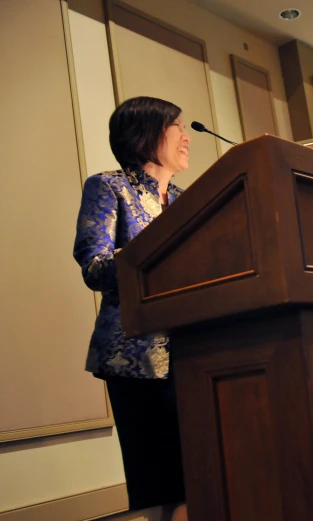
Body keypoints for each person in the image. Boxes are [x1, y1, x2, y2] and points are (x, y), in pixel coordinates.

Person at [73, 96, 191, 521]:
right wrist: (157, 253)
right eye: (176, 126)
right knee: (157, 475)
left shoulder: (187, 199)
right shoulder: (109, 187)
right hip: (135, 356)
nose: (186, 137)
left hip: (196, 350)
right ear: (147, 134)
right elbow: (95, 266)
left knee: (198, 470)